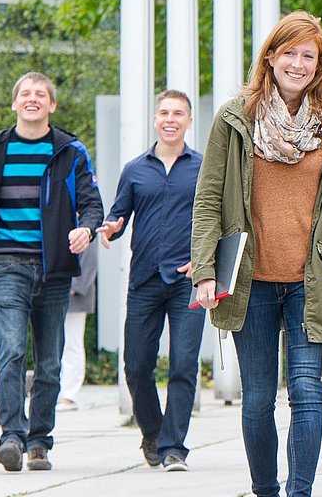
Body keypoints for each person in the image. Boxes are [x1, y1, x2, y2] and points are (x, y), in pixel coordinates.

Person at [192, 11, 322, 497]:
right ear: (270, 57)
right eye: (288, 52)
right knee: (259, 401)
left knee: (308, 395)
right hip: (252, 282)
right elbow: (207, 200)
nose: (298, 63)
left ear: (320, 65)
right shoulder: (234, 119)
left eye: (308, 55)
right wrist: (204, 270)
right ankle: (265, 490)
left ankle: (300, 492)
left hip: (312, 282)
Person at [0, 71, 102, 473]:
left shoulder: (71, 151)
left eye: (41, 94)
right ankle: (11, 437)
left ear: (52, 105)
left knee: (51, 362)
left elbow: (93, 203)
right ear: (15, 103)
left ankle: (39, 441)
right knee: (12, 352)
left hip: (54, 270)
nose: (32, 98)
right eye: (25, 93)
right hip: (6, 266)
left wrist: (86, 229)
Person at [97, 89, 204, 470]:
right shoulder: (134, 169)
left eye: (178, 113)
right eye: (164, 113)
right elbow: (118, 216)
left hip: (188, 280)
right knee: (137, 365)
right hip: (144, 279)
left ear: (189, 121)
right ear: (155, 120)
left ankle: (174, 446)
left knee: (183, 365)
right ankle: (153, 433)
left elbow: (221, 221)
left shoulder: (203, 168)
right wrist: (109, 229)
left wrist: (204, 260)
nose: (170, 119)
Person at [56, 245, 95, 412]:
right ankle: (59, 392)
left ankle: (69, 395)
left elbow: (90, 261)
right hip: (56, 292)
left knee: (72, 343)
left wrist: (75, 287)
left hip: (74, 297)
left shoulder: (86, 222)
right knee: (56, 345)